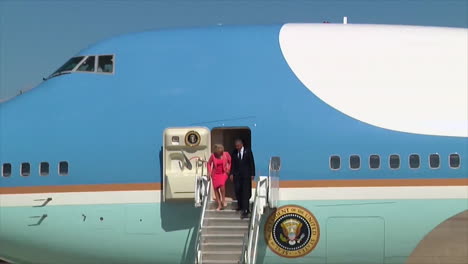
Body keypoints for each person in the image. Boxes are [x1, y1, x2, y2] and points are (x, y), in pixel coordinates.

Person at [230, 139, 255, 219]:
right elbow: (233, 164)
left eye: (238, 146)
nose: (237, 147)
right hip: (237, 175)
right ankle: (240, 206)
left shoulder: (247, 151)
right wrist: (231, 173)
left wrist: (252, 173)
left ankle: (246, 210)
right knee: (238, 190)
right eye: (236, 146)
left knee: (245, 192)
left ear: (241, 145)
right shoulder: (234, 152)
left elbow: (251, 162)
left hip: (246, 175)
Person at [207, 144, 231, 211]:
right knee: (216, 189)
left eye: (220, 151)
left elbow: (230, 161)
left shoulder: (226, 154)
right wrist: (209, 172)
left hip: (223, 173)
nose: (219, 153)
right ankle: (219, 204)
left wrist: (228, 169)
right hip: (215, 174)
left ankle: (223, 200)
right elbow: (208, 163)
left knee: (222, 186)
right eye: (218, 151)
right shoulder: (213, 155)